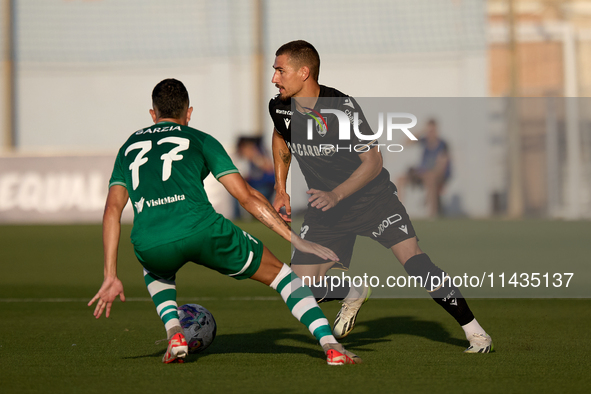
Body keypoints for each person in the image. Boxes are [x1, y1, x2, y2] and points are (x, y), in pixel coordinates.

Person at [88, 78, 361, 365]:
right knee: (283, 278)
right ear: (188, 113)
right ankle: (330, 346)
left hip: (151, 239)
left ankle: (174, 333)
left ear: (152, 114)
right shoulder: (200, 139)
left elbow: (112, 210)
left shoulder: (129, 147)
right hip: (204, 229)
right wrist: (294, 239)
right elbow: (247, 197)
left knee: (155, 269)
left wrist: (110, 275)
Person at [268, 40, 492, 353]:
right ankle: (352, 291)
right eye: (275, 70)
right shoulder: (279, 106)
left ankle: (476, 333)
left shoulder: (341, 108)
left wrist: (337, 193)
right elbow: (281, 135)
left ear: (304, 72)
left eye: (280, 70)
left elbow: (373, 161)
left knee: (415, 262)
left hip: (371, 200)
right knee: (299, 287)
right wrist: (281, 187)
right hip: (327, 209)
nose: (274, 77)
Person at [396, 119, 451, 218]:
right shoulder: (424, 141)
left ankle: (432, 214)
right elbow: (406, 142)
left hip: (436, 176)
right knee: (400, 179)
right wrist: (421, 132)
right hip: (422, 173)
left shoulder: (442, 144)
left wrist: (431, 174)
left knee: (430, 178)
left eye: (432, 130)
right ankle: (400, 212)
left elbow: (442, 166)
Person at [233, 136, 276, 219]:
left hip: (264, 184)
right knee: (234, 190)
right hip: (251, 184)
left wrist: (255, 157)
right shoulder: (241, 158)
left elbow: (269, 168)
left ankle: (261, 216)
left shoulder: (260, 153)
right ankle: (238, 217)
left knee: (261, 199)